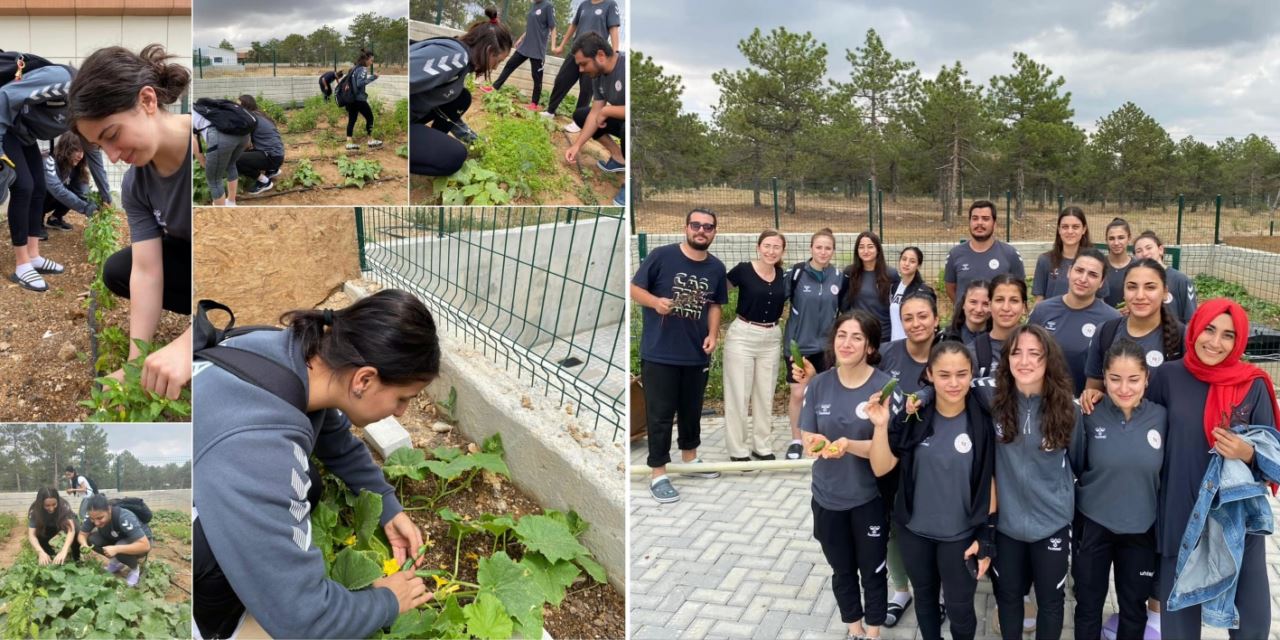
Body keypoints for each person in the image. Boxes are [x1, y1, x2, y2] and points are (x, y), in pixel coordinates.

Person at [193, 289, 437, 639]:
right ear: (364, 379)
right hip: (193, 535)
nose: (401, 412)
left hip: (211, 456)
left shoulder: (292, 351)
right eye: (402, 398)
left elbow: (337, 443)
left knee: (308, 482)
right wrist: (387, 601)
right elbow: (305, 620)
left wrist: (387, 506)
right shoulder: (261, 450)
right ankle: (220, 629)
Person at [915, 325, 1084, 640]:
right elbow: (952, 382)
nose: (1025, 361)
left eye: (1035, 353)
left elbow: (1080, 464)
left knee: (1050, 601)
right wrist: (924, 394)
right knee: (1007, 599)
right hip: (1005, 526)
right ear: (1006, 359)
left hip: (1052, 525)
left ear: (1049, 359)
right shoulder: (990, 395)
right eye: (1017, 352)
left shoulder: (1069, 410)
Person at [1146, 299, 1278, 639]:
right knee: (1178, 628)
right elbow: (1143, 432)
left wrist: (1247, 452)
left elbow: (1273, 460)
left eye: (1228, 335)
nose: (1215, 342)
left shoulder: (1253, 384)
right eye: (1209, 329)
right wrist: (1097, 398)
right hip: (1180, 513)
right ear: (1195, 328)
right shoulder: (1167, 376)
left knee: (1251, 625)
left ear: (1239, 341)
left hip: (1234, 520)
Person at [68, 44, 193, 400]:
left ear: (148, 101)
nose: (113, 156)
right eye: (99, 146)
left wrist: (190, 342)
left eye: (111, 135)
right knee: (118, 269)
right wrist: (137, 362)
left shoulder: (202, 149)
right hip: (193, 260)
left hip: (227, 260)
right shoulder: (136, 184)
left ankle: (210, 325)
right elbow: (147, 270)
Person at [870, 341, 996, 640]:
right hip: (915, 532)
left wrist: (986, 536)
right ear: (930, 375)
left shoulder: (982, 417)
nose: (953, 383)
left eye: (961, 374)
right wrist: (880, 426)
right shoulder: (914, 417)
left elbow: (989, 480)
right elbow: (881, 467)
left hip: (960, 537)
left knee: (960, 607)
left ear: (972, 375)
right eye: (944, 375)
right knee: (925, 602)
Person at [793, 310, 900, 640]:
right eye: (842, 335)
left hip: (867, 497)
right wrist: (819, 444)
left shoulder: (883, 387)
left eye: (857, 337)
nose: (847, 343)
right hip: (827, 497)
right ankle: (854, 628)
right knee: (842, 570)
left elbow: (886, 454)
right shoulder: (821, 383)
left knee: (873, 570)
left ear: (869, 347)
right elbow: (807, 435)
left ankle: (873, 632)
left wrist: (848, 444)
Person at [630, 209, 728, 503]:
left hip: (695, 353)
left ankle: (690, 459)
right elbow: (634, 288)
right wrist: (654, 302)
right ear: (686, 227)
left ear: (714, 232)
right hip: (660, 352)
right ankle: (658, 473)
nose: (702, 231)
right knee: (659, 415)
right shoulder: (662, 256)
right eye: (696, 225)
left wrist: (713, 334)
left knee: (691, 409)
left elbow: (714, 305)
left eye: (708, 227)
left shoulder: (716, 268)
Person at [1072, 339, 1166, 640]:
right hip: (1094, 524)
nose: (1124, 388)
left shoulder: (1162, 418)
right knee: (1088, 605)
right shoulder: (1088, 414)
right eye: (1114, 379)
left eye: (1133, 379)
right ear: (1104, 377)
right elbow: (1074, 464)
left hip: (1141, 529)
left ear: (1146, 379)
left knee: (1133, 608)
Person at [875, 291, 941, 627]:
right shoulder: (887, 353)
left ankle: (936, 592)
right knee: (892, 527)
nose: (916, 323)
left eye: (922, 316)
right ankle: (901, 590)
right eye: (909, 318)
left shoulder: (948, 353)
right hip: (893, 456)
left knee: (935, 527)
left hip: (936, 460)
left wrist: (928, 392)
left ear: (936, 319)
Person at [0, 52, 74, 291]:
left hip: (23, 133)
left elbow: (91, 153)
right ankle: (22, 265)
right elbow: (5, 94)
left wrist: (103, 196)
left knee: (38, 188)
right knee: (23, 187)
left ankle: (33, 255)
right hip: (5, 128)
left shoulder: (87, 110)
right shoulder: (64, 82)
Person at [409, 8, 514, 177]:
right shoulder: (454, 57)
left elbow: (448, 113)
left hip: (413, 113)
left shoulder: (462, 61)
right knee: (454, 156)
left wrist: (475, 140)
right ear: (488, 51)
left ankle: (427, 145)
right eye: (498, 61)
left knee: (461, 98)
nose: (495, 67)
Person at [1081, 258, 1184, 411]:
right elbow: (1093, 390)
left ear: (1165, 292)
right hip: (1115, 432)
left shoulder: (1182, 337)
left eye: (1150, 287)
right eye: (1132, 287)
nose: (1140, 295)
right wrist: (1091, 396)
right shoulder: (1106, 333)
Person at [722, 230, 786, 463]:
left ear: (782, 251)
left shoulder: (782, 275)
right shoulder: (743, 270)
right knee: (739, 394)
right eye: (767, 246)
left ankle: (762, 445)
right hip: (743, 336)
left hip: (771, 337)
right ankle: (738, 449)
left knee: (765, 394)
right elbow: (718, 291)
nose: (771, 251)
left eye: (776, 247)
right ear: (758, 247)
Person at [782, 228, 841, 461]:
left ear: (833, 251)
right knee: (798, 393)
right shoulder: (796, 273)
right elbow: (777, 297)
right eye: (819, 247)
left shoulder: (838, 276)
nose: (823, 252)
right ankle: (797, 440)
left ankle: (821, 436)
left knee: (825, 393)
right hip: (799, 346)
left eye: (828, 248)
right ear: (811, 248)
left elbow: (844, 309)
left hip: (826, 347)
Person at [1027, 248, 1120, 393]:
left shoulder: (1112, 319)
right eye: (1079, 270)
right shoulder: (1043, 311)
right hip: (1044, 402)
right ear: (1069, 271)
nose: (1083, 279)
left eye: (1093, 275)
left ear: (1102, 282)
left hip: (1086, 407)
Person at [562, 32, 626, 206]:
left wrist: (608, 110)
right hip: (620, 119)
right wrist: (577, 146)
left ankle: (631, 185)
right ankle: (619, 157)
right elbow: (594, 113)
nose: (581, 70)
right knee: (582, 115)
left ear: (600, 55)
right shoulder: (598, 76)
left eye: (583, 64)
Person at [539, 0, 621, 132]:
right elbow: (573, 25)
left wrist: (615, 52)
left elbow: (614, 29)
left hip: (594, 55)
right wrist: (561, 45)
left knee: (587, 88)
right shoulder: (584, 5)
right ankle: (550, 110)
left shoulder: (610, 4)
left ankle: (578, 122)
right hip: (576, 52)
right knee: (561, 80)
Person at [944, 200, 1025, 303]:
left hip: (997, 318)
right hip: (966, 319)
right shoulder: (955, 254)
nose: (979, 223)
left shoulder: (1010, 254)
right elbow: (951, 288)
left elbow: (1020, 289)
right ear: (969, 222)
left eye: (985, 219)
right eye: (975, 218)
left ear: (994, 224)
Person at [488, 0, 556, 110]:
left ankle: (534, 103)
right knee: (510, 65)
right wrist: (521, 38)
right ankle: (495, 87)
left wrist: (553, 46)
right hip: (525, 46)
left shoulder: (548, 6)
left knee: (537, 77)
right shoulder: (533, 5)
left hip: (537, 49)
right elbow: (531, 27)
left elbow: (553, 27)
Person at [78, 494, 151, 587]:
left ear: (109, 510)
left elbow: (145, 545)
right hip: (118, 538)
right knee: (92, 539)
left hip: (141, 542)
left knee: (119, 547)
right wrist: (84, 544)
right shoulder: (93, 515)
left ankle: (134, 569)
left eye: (100, 518)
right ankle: (117, 563)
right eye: (93, 519)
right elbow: (82, 534)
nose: (96, 522)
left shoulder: (124, 517)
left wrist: (116, 549)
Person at [42, 134, 111, 231]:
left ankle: (55, 219)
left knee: (72, 190)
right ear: (66, 148)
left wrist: (96, 207)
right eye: (77, 150)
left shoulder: (74, 165)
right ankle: (34, 222)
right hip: (33, 203)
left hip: (49, 200)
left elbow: (83, 192)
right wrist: (86, 208)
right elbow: (57, 190)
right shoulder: (48, 160)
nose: (81, 156)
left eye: (83, 151)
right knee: (50, 190)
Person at [1033, 207, 1100, 303]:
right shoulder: (1045, 260)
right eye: (1065, 227)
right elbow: (1039, 300)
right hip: (1052, 317)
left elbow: (1100, 300)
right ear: (1059, 230)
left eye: (1075, 227)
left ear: (1084, 229)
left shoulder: (1095, 262)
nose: (1070, 231)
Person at [840, 231, 896, 341]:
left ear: (878, 249)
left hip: (884, 335)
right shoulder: (850, 272)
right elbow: (843, 303)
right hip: (858, 334)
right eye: (861, 247)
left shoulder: (891, 274)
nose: (865, 251)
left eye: (870, 247)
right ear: (857, 250)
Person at [968, 275, 1027, 378]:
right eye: (999, 300)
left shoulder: (1038, 349)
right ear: (990, 305)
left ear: (1024, 307)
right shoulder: (973, 352)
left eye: (1014, 300)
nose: (1006, 308)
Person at [1133, 231, 1196, 324]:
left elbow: (1191, 319)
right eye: (1139, 251)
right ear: (1135, 256)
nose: (1144, 253)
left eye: (1149, 248)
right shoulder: (1134, 281)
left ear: (1160, 250)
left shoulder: (1181, 280)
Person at [235, 95, 284, 195]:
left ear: (245, 106)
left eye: (238, 105)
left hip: (272, 156)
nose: (236, 108)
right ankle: (272, 170)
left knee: (235, 158)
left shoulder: (250, 119)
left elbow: (247, 144)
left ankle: (264, 182)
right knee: (246, 153)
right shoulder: (259, 115)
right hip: (277, 154)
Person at [887, 247, 934, 342]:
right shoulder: (894, 287)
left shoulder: (923, 291)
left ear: (918, 265)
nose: (906, 264)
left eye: (912, 261)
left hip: (913, 345)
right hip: (895, 343)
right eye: (904, 259)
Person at [28, 487, 81, 566]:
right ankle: (48, 557)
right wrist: (40, 552)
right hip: (47, 525)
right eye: (47, 505)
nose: (51, 508)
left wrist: (64, 550)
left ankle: (77, 559)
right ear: (41, 504)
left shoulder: (64, 506)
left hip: (62, 524)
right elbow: (32, 535)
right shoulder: (34, 511)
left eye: (54, 504)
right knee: (40, 533)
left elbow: (71, 530)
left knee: (76, 531)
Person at [343, 48, 382, 151]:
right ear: (366, 59)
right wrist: (374, 77)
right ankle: (370, 140)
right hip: (359, 99)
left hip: (351, 99)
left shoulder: (354, 68)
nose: (372, 62)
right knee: (370, 118)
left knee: (352, 120)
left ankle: (349, 143)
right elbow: (360, 83)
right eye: (371, 60)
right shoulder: (363, 69)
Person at [942, 280, 991, 345]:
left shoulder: (1001, 339)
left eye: (985, 304)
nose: (979, 310)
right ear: (963, 304)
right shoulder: (946, 338)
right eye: (973, 302)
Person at [1102, 217, 1135, 308]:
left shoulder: (1137, 267)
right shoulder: (1099, 265)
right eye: (1111, 238)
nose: (1116, 243)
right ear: (1106, 240)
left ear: (1129, 238)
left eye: (1121, 238)